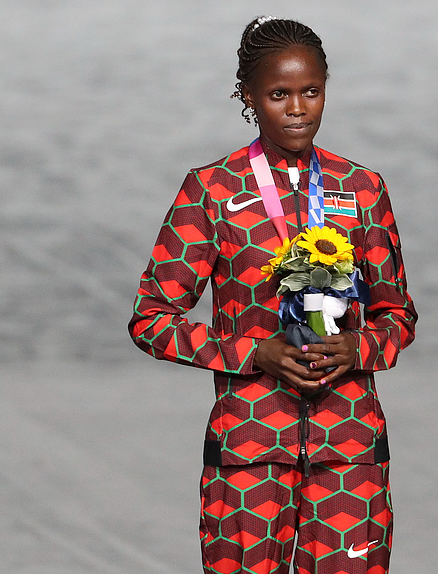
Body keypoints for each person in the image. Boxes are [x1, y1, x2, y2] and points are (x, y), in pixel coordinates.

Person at [129, 16, 417, 574]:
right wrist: (252, 352)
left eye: (311, 92)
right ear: (248, 97)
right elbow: (150, 319)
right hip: (249, 451)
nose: (297, 108)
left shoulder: (361, 189)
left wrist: (357, 348)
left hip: (350, 452)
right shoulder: (212, 190)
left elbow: (397, 316)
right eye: (278, 94)